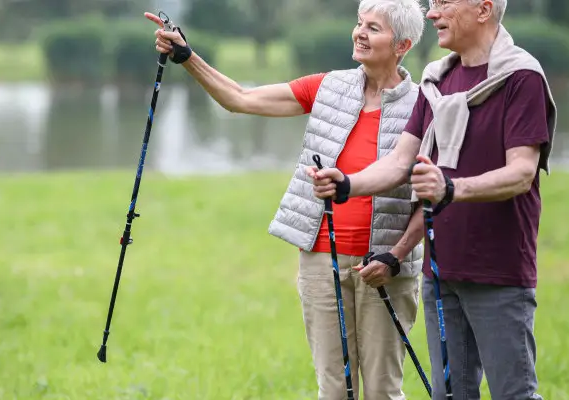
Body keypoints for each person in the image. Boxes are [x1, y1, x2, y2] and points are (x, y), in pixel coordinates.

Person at [145, 1, 428, 398]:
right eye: (359, 23)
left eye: (374, 28)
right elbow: (240, 99)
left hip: (384, 267)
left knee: (383, 390)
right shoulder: (329, 87)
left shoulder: (423, 106)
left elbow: (428, 201)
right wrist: (188, 58)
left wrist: (396, 256)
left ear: (403, 45)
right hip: (321, 262)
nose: (359, 33)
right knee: (334, 389)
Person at [307, 0, 559, 399]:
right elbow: (399, 163)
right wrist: (346, 184)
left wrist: (452, 189)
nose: (431, 13)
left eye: (444, 3)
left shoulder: (521, 77)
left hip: (499, 270)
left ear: (483, 9)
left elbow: (522, 173)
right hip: (441, 273)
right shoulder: (436, 79)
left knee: (514, 395)